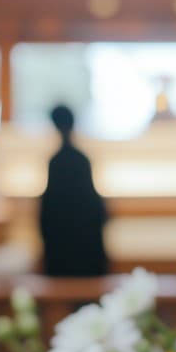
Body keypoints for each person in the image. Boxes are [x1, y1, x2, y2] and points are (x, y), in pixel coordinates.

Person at [40, 105, 108, 277]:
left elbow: (47, 211)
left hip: (61, 254)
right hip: (87, 253)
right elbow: (96, 207)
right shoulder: (81, 160)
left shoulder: (56, 162)